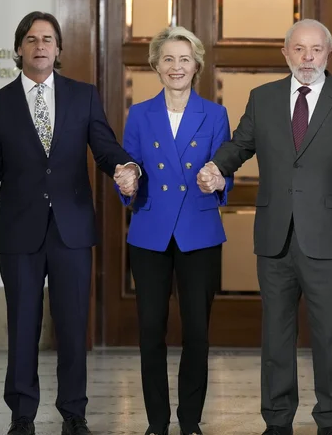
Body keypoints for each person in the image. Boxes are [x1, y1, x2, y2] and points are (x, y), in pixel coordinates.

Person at [197, 18, 332, 435]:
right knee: (276, 335)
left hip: (331, 239)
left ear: (329, 54)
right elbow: (240, 144)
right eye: (299, 49)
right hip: (275, 236)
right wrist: (216, 166)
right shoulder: (262, 97)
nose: (307, 58)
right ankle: (278, 422)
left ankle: (330, 422)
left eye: (316, 50)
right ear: (285, 53)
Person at [0, 11, 139, 435]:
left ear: (58, 49)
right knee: (22, 325)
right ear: (19, 47)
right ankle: (22, 415)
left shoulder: (83, 96)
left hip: (72, 229)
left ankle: (73, 413)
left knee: (73, 324)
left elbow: (105, 147)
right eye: (32, 38)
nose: (40, 45)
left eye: (48, 39)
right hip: (19, 232)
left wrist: (124, 167)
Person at [117, 26, 233, 435]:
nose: (176, 66)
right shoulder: (140, 114)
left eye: (184, 59)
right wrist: (126, 180)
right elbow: (128, 167)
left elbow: (225, 170)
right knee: (151, 330)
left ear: (197, 65)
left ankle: (189, 421)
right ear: (156, 65)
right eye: (168, 58)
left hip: (198, 232)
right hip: (150, 232)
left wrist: (219, 183)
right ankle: (156, 422)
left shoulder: (215, 114)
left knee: (197, 331)